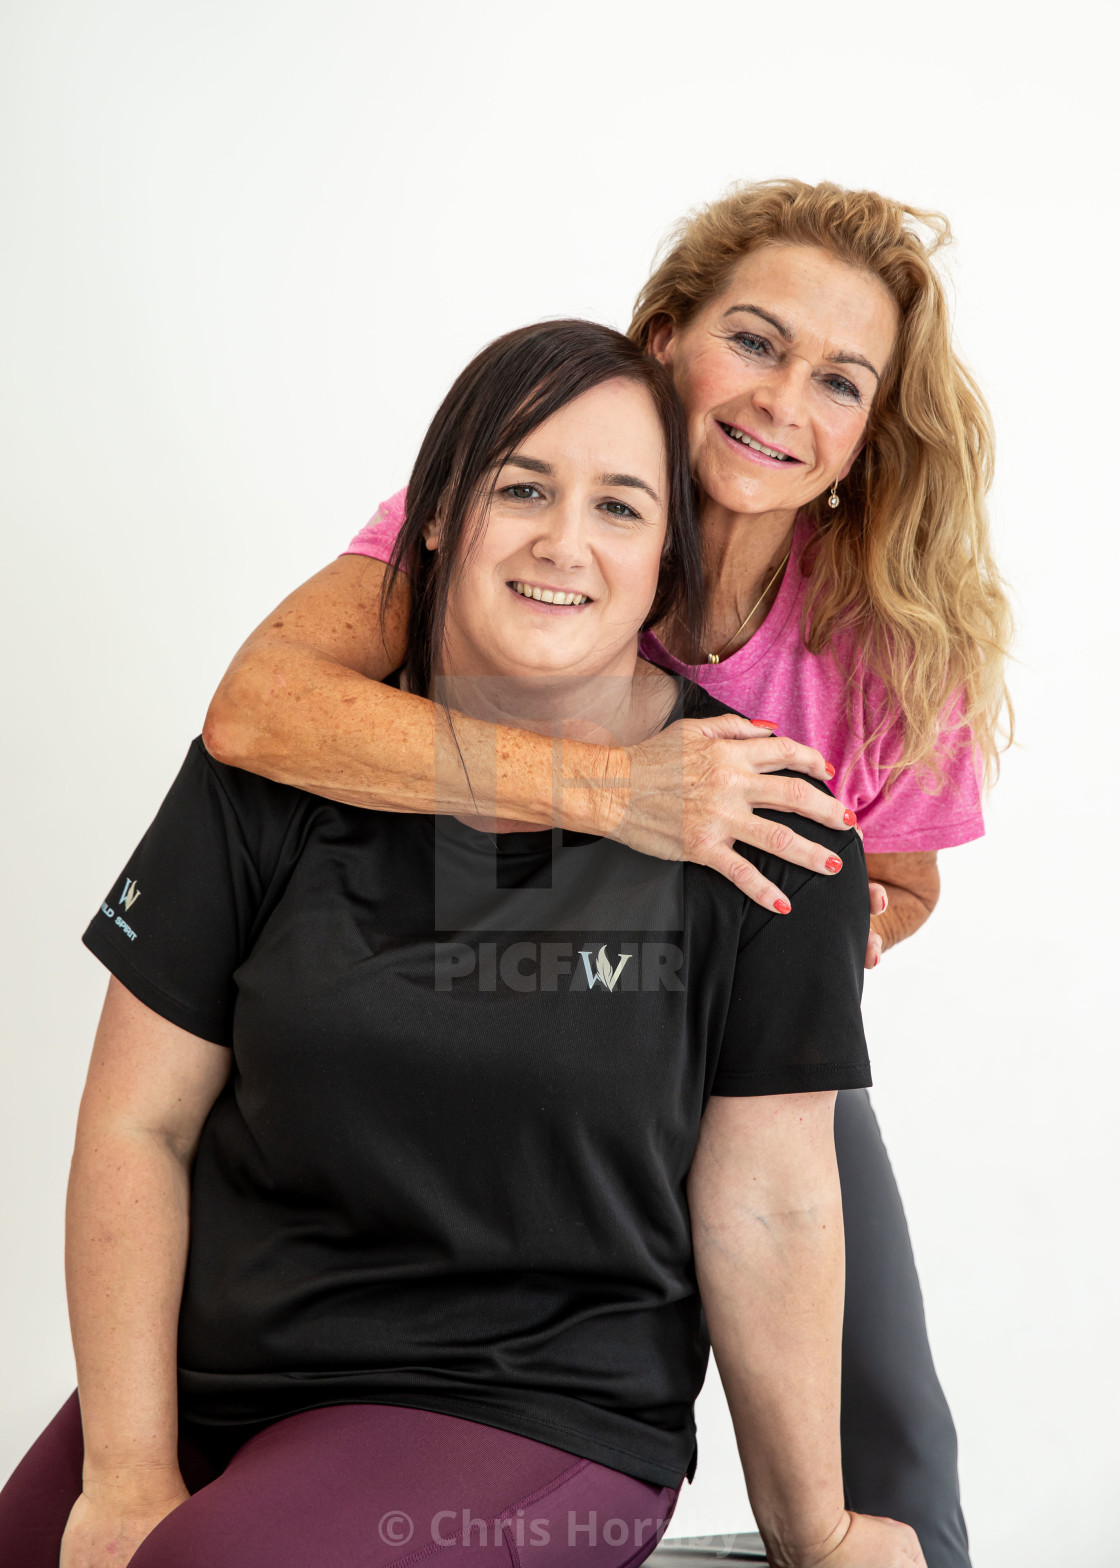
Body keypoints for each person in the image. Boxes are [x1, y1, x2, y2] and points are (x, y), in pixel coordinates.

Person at [0, 321, 923, 1568]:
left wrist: (815, 1528)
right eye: (521, 488)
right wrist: (124, 1471)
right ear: (434, 515)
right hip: (211, 1378)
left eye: (619, 506)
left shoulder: (760, 823)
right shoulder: (276, 768)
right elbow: (136, 1125)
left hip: (524, 1407)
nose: (562, 541)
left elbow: (768, 1200)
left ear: (667, 560)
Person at [200, 180, 1013, 1568]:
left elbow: (907, 876)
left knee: (898, 1485)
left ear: (870, 431)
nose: (783, 402)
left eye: (839, 380)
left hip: (727, 1066)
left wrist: (837, 923)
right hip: (475, 1022)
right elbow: (261, 709)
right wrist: (619, 797)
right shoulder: (529, 517)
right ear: (664, 338)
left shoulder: (890, 631)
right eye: (753, 341)